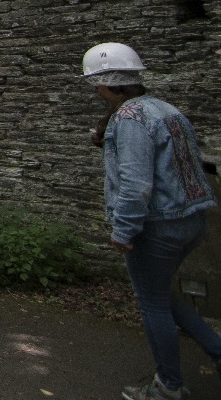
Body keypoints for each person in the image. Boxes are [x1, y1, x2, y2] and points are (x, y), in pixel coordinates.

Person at [83, 42, 221, 400]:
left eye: (94, 82)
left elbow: (136, 183)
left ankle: (167, 388)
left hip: (158, 225)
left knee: (152, 304)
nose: (93, 90)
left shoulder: (130, 119)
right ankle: (218, 351)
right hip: (191, 219)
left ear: (108, 81)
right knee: (160, 295)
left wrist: (124, 230)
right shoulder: (164, 109)